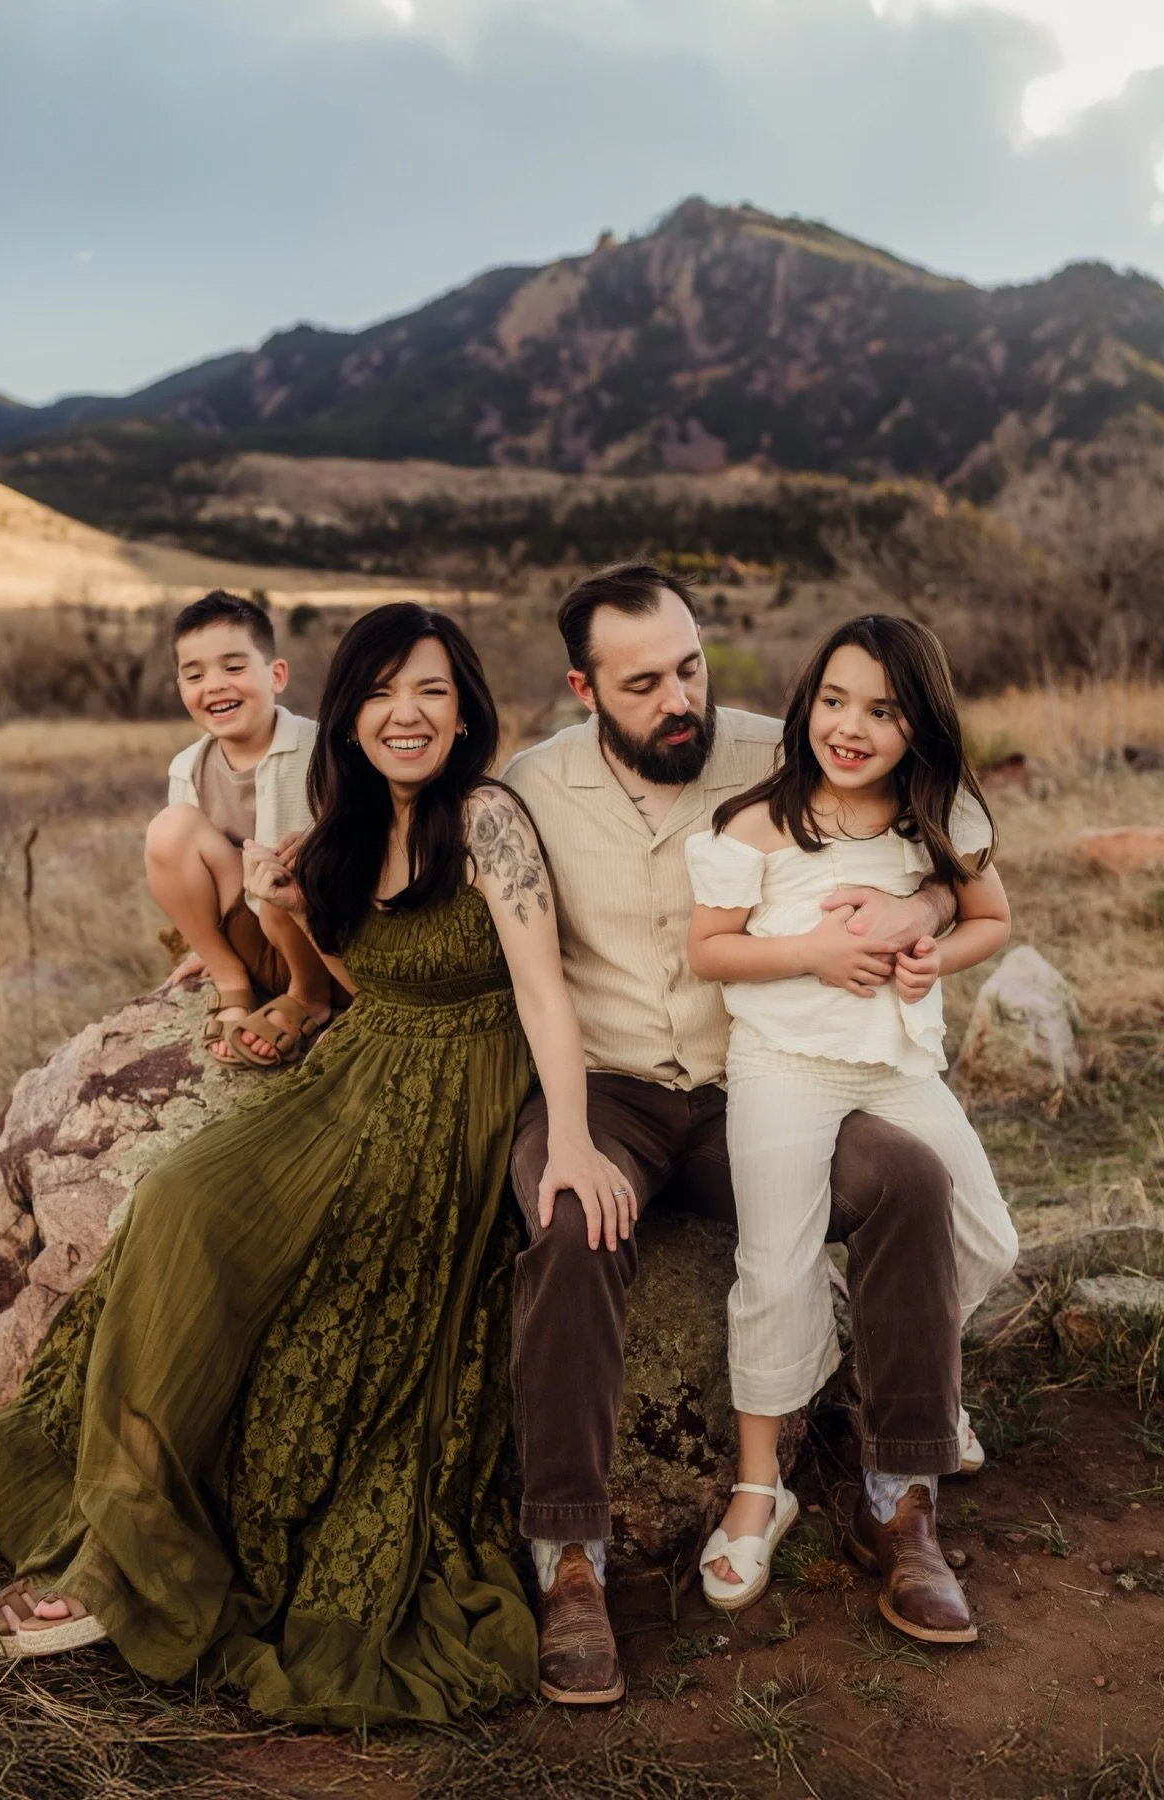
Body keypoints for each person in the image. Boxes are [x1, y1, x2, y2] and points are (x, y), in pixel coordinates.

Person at [0, 603, 632, 1726]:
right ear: (347, 712)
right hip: (360, 1065)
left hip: (464, 1085)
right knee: (179, 1199)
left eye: (432, 691)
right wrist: (280, 919)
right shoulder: (340, 828)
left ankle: (120, 1571)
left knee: (336, 1284)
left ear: (464, 713)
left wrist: (573, 1138)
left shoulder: (487, 818)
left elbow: (544, 994)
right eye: (381, 692)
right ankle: (118, 1542)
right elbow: (363, 986)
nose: (406, 714)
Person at [503, 562, 985, 1699]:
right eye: (643, 685)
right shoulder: (530, 786)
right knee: (568, 1223)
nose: (681, 700)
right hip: (609, 1091)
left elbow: (936, 837)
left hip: (756, 1087)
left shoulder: (788, 749)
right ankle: (570, 1555)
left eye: (691, 668)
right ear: (584, 689)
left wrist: (920, 909)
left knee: (911, 1177)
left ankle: (900, 1499)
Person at [685, 615, 1017, 1641]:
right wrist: (814, 955)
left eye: (882, 710)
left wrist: (931, 950)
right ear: (807, 703)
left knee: (988, 1239)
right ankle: (759, 1490)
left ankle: (917, 1380)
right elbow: (710, 951)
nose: (850, 726)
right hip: (783, 1067)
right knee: (775, 1268)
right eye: (834, 700)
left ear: (921, 725)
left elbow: (991, 920)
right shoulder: (761, 823)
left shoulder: (941, 818)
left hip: (897, 1066)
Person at [145, 590, 332, 1068]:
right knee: (170, 829)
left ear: (276, 675)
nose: (214, 685)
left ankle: (309, 997)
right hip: (253, 937)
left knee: (276, 877)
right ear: (181, 688)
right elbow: (190, 874)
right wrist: (206, 946)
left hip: (323, 941)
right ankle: (233, 981)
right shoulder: (188, 767)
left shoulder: (322, 749)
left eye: (233, 667)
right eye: (195, 675)